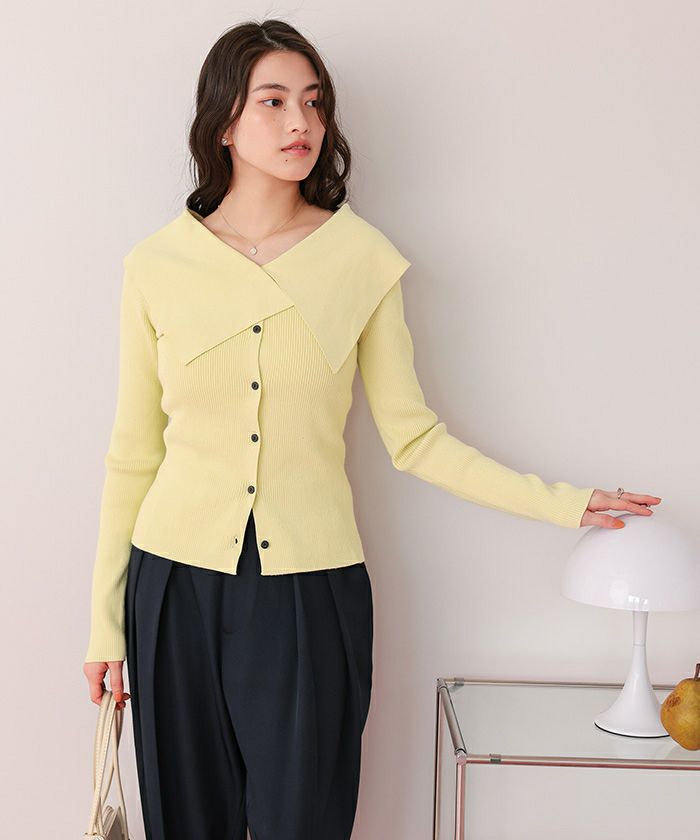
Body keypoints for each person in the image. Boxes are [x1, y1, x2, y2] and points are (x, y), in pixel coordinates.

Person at [82, 18, 662, 840]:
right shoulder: (156, 265)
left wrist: (566, 503)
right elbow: (133, 456)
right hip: (171, 587)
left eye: (314, 102)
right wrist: (104, 627)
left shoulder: (361, 258)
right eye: (274, 101)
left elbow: (415, 439)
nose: (302, 123)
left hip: (310, 591)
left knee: (305, 820)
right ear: (224, 123)